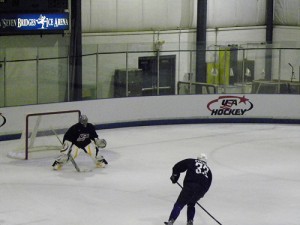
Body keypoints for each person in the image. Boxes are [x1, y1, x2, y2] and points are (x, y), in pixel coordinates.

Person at [164, 154, 212, 225]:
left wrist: (175, 177)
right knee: (191, 204)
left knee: (179, 204)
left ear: (198, 159)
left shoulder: (192, 161)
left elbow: (177, 166)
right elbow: (208, 184)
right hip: (201, 190)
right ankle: (190, 221)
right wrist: (201, 194)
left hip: (190, 186)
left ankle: (171, 221)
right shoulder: (209, 171)